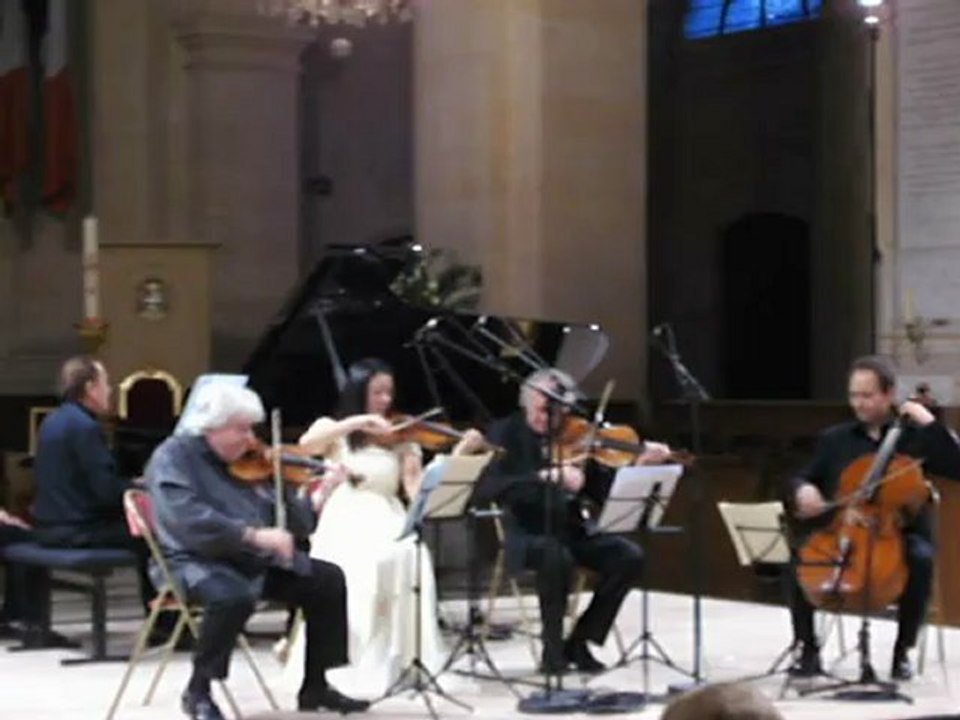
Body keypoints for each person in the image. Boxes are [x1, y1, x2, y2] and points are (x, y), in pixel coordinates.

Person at [144, 381, 369, 720]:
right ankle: (198, 690)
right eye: (241, 429)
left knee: (328, 579)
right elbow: (187, 519)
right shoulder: (173, 457)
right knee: (231, 596)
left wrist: (312, 494)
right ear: (212, 427)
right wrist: (252, 535)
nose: (250, 438)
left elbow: (297, 527)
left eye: (251, 429)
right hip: (191, 560)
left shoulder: (249, 461)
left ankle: (316, 686)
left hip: (248, 560)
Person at [283, 357, 482, 698]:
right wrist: (358, 422)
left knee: (411, 555)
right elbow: (307, 444)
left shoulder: (402, 437)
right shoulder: (335, 430)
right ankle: (342, 666)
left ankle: (401, 662)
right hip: (345, 518)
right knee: (366, 570)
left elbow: (417, 490)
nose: (385, 401)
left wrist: (456, 457)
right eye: (377, 393)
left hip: (388, 514)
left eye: (389, 393)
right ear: (359, 393)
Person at [470, 367, 672, 674]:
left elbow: (603, 491)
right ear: (526, 402)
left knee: (629, 557)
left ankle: (580, 640)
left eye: (554, 412)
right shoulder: (505, 433)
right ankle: (552, 653)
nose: (546, 419)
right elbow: (489, 487)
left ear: (565, 409)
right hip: (526, 532)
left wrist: (639, 466)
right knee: (556, 557)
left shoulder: (577, 437)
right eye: (539, 410)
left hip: (573, 529)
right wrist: (544, 476)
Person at [784, 355, 960, 680]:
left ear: (889, 394)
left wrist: (928, 421)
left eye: (867, 395)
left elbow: (956, 466)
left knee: (921, 558)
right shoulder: (834, 439)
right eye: (854, 395)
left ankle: (902, 650)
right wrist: (803, 489)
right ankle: (807, 649)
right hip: (845, 528)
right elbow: (802, 475)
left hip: (899, 532)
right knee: (800, 555)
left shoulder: (915, 439)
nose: (859, 403)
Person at [31, 356, 164, 631]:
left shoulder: (53, 420)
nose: (110, 391)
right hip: (77, 529)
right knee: (157, 537)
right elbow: (104, 492)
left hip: (50, 524)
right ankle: (165, 626)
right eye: (106, 384)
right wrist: (138, 488)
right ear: (90, 387)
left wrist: (128, 485)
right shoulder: (85, 427)